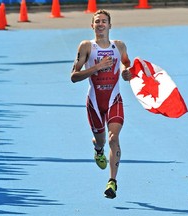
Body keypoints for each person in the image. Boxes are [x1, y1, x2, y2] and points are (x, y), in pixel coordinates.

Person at [70, 9, 132, 199]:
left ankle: (112, 181)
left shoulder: (119, 46)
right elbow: (74, 76)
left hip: (114, 100)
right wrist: (97, 67)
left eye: (104, 21)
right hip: (95, 103)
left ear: (110, 26)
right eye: (97, 21)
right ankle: (98, 149)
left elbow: (126, 64)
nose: (100, 24)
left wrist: (126, 73)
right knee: (102, 140)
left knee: (114, 138)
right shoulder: (87, 46)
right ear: (92, 26)